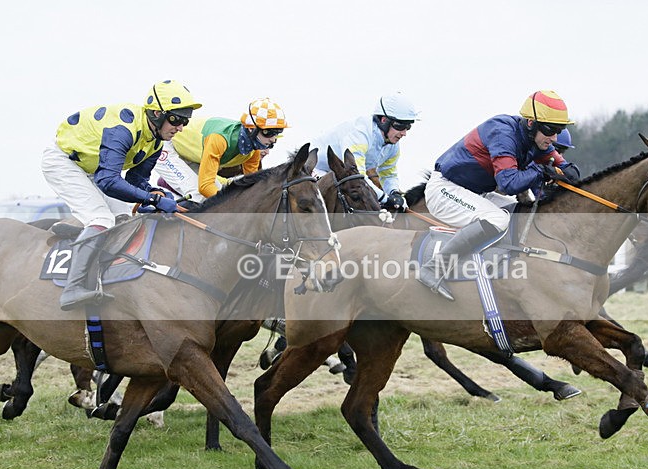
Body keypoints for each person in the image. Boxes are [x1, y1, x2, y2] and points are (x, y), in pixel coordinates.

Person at [42, 80, 201, 310]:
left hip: (92, 169)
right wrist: (151, 199)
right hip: (64, 162)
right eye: (176, 119)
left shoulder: (156, 141)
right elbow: (108, 181)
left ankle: (90, 248)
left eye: (185, 121)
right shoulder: (123, 130)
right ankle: (72, 289)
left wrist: (154, 193)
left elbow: (136, 181)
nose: (180, 128)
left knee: (125, 217)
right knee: (102, 219)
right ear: (157, 114)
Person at [420, 90, 579, 300]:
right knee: (498, 218)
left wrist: (559, 173)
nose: (554, 138)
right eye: (550, 130)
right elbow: (509, 183)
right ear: (531, 123)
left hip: (474, 192)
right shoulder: (503, 132)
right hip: (445, 189)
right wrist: (542, 171)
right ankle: (434, 268)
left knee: (520, 212)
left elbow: (573, 173)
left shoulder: (539, 142)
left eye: (560, 130)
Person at [154, 98, 288, 204]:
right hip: (168, 146)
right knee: (199, 194)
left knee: (220, 191)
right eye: (268, 132)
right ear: (251, 128)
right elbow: (205, 187)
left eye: (277, 133)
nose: (273, 139)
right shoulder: (220, 139)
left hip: (192, 156)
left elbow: (252, 186)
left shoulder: (253, 151)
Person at [312, 91, 418, 212]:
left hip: (343, 177)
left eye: (408, 127)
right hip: (316, 169)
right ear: (384, 120)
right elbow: (358, 178)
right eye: (400, 126)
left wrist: (395, 193)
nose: (404, 133)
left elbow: (388, 174)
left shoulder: (392, 145)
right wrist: (385, 198)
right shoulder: (360, 134)